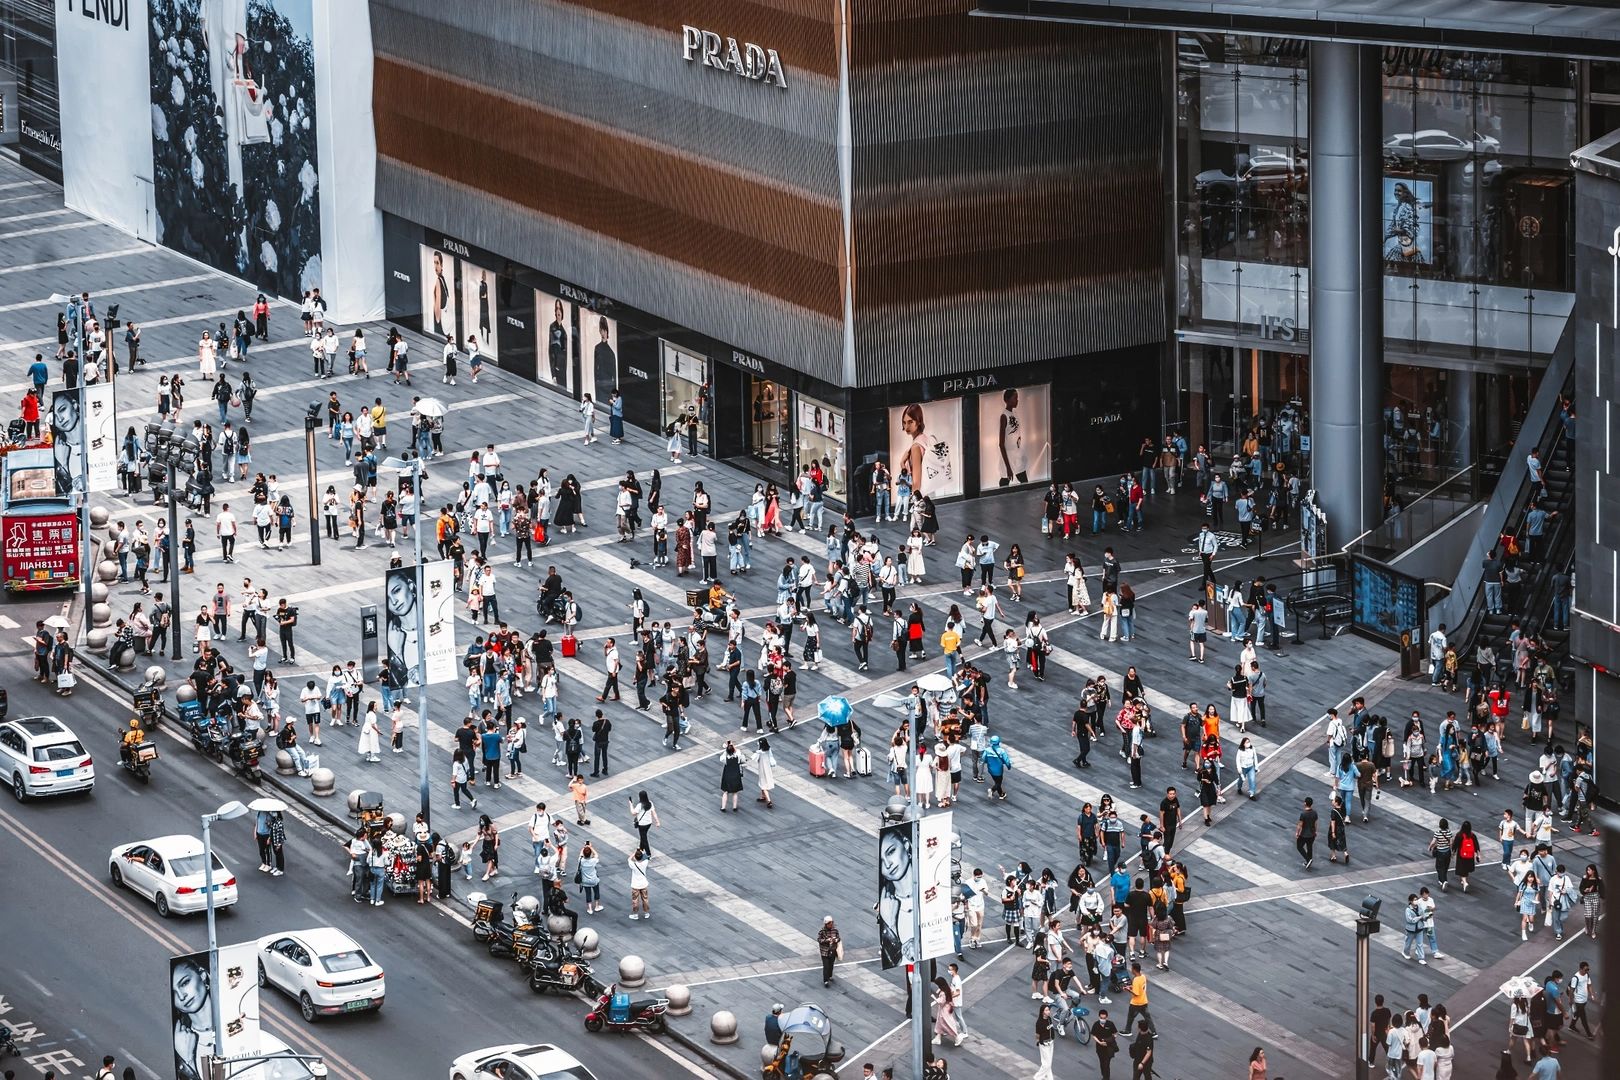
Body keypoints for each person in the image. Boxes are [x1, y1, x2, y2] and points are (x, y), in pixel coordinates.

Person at [818, 915, 842, 987]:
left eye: (831, 923)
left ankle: (830, 976)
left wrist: (835, 940)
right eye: (829, 924)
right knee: (826, 966)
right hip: (824, 951)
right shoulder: (822, 931)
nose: (830, 925)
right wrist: (826, 940)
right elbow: (819, 940)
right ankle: (825, 980)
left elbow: (838, 938)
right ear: (826, 924)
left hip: (832, 950)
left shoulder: (835, 930)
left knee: (831, 964)